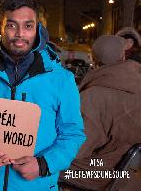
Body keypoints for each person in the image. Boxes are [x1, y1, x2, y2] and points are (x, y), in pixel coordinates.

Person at [0, 0, 86, 190]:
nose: (20, 34)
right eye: (11, 25)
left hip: (36, 185)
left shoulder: (61, 80)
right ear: (0, 27)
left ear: (38, 29)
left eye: (28, 26)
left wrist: (43, 165)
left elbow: (72, 134)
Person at [60, 35, 141, 191]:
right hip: (130, 169)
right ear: (123, 56)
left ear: (95, 61)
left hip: (102, 173)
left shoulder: (93, 97)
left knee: (47, 163)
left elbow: (76, 150)